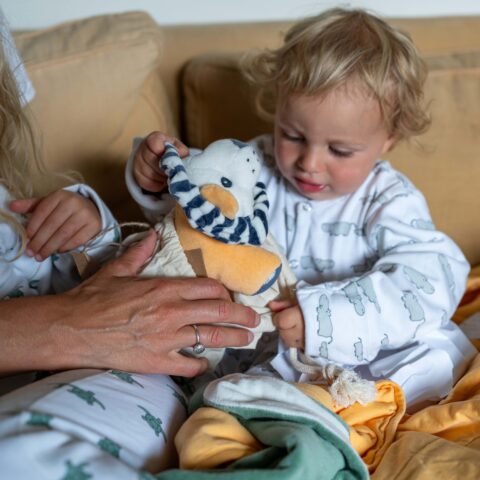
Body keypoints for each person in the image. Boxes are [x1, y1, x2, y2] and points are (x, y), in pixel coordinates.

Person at [127, 7, 476, 411]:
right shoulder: (252, 165)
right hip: (261, 356)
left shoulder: (388, 198)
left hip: (360, 354)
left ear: (388, 139)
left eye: (339, 150)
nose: (309, 163)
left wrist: (324, 320)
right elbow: (201, 213)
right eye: (292, 135)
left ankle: (349, 412)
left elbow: (431, 277)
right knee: (217, 386)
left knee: (434, 359)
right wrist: (160, 177)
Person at [0, 9, 258, 477]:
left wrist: (87, 228)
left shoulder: (8, 211)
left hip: (119, 375)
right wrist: (70, 324)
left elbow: (93, 284)